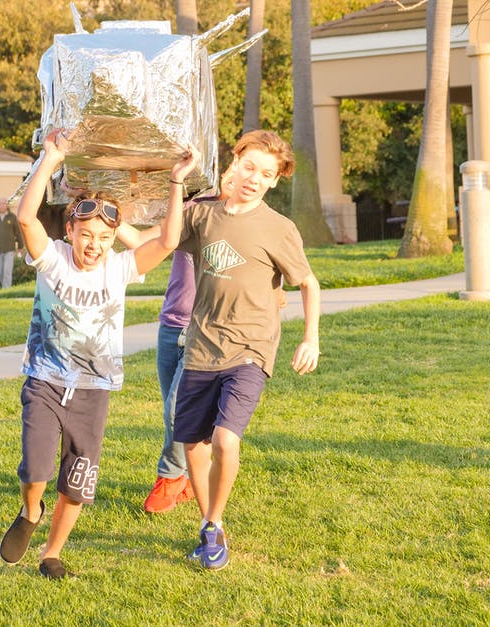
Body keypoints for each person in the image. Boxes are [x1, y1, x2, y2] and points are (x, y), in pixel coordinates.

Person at [0, 129, 197, 579]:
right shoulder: (52, 259)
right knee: (36, 468)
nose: (93, 244)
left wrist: (177, 181)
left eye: (104, 237)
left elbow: (166, 242)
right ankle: (31, 512)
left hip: (94, 392)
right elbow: (27, 218)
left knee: (78, 483)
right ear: (69, 230)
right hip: (46, 382)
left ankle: (52, 553)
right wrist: (51, 158)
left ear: (113, 240)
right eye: (85, 234)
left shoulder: (120, 269)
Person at [174, 129, 321, 570]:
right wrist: (107, 215)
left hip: (251, 349)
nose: (256, 178)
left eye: (267, 174)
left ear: (275, 182)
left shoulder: (279, 228)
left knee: (224, 438)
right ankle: (208, 523)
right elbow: (153, 243)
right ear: (234, 162)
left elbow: (308, 283)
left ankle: (214, 523)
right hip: (201, 346)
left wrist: (310, 337)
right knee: (192, 444)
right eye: (250, 166)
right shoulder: (203, 216)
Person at [140, 165, 234, 514]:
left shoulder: (245, 221)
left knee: (177, 410)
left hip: (205, 331)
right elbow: (147, 241)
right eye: (232, 166)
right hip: (170, 326)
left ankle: (171, 477)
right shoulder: (192, 209)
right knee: (177, 413)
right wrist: (105, 212)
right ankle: (195, 476)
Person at [0, 197, 23, 289]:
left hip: (9, 249)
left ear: (6, 205)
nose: (2, 205)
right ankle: (4, 288)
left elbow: (18, 233)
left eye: (3, 203)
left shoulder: (12, 217)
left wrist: (20, 247)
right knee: (0, 271)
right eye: (0, 204)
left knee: (7, 271)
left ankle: (6, 290)